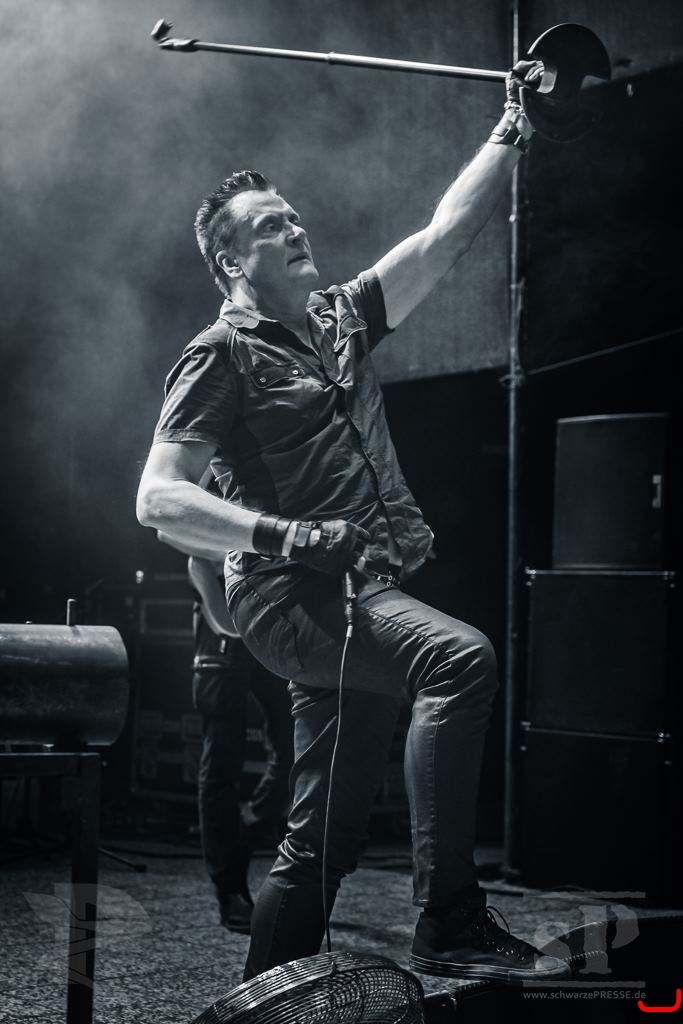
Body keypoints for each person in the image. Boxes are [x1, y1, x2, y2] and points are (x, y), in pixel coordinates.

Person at [136, 60, 571, 984]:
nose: (295, 229)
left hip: (355, 592)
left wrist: (510, 127)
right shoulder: (220, 355)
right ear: (231, 263)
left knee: (318, 841)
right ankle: (448, 916)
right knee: (458, 659)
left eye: (293, 218)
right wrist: (286, 535)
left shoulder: (339, 320)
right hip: (292, 597)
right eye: (269, 226)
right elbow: (158, 498)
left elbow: (445, 234)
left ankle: (263, 1002)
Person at [158, 476, 294, 934]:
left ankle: (254, 820)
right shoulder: (209, 461)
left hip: (271, 617)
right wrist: (228, 555)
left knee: (296, 745)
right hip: (224, 621)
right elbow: (166, 527)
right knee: (222, 761)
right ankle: (229, 886)